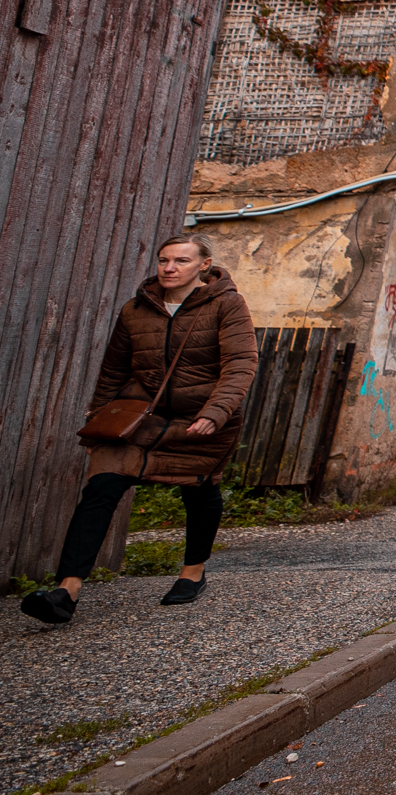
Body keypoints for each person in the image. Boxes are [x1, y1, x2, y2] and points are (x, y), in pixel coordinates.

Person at [21, 234, 258, 625]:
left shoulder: (226, 305)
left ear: (204, 264)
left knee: (199, 489)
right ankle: (67, 589)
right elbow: (114, 371)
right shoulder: (136, 309)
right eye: (164, 260)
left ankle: (192, 572)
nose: (169, 268)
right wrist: (100, 422)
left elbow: (240, 364)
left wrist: (215, 413)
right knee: (101, 487)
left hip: (202, 418)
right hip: (142, 419)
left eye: (181, 261)